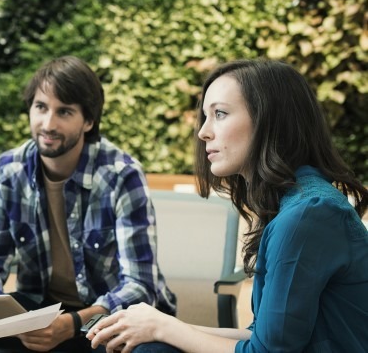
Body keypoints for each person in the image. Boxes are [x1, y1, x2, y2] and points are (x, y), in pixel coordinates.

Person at [87, 59, 368, 352]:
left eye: (219, 114)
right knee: (150, 342)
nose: (203, 132)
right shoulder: (296, 205)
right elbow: (263, 337)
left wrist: (164, 327)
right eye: (205, 116)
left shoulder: (306, 215)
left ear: (270, 120)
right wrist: (156, 325)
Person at [0, 56, 176, 352]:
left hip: (106, 318)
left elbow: (140, 286)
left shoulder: (121, 175)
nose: (48, 124)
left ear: (88, 121)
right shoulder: (9, 170)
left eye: (64, 112)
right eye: (41, 107)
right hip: (41, 313)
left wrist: (73, 324)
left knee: (153, 351)